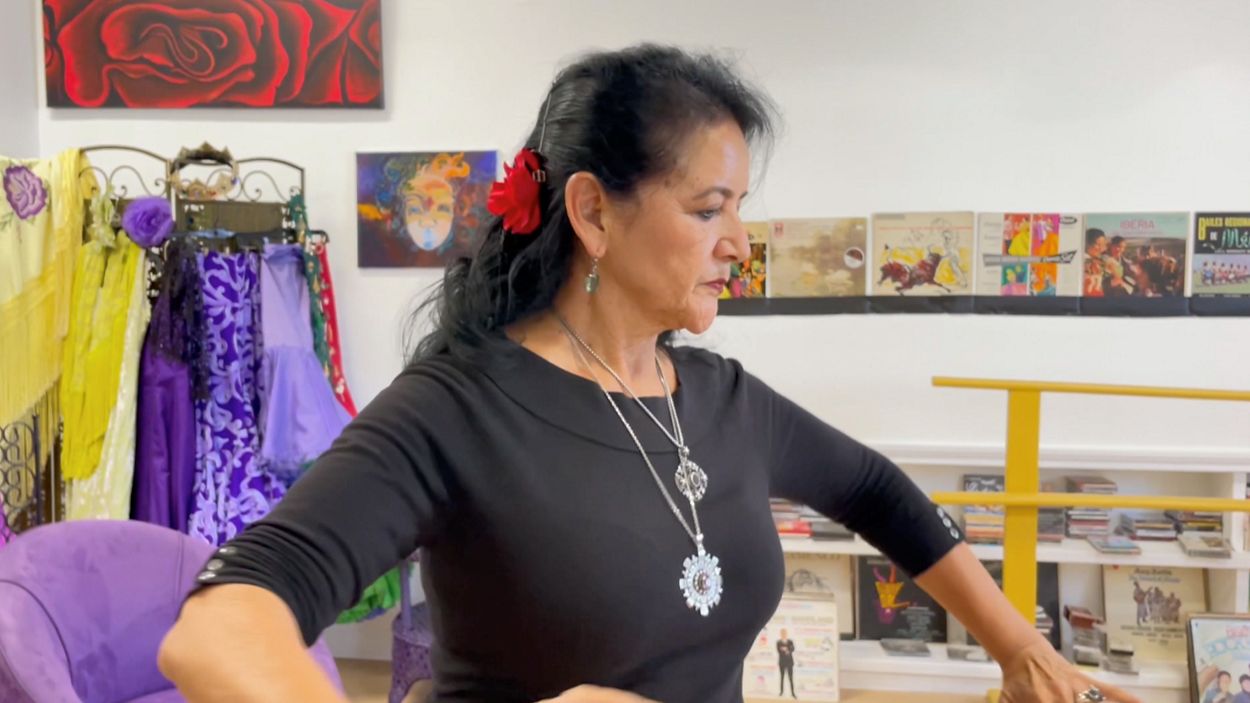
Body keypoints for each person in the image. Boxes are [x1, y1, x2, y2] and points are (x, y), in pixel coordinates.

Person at [157, 45, 1139, 703]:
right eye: (709, 208)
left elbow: (877, 490)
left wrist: (1020, 648)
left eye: (738, 208)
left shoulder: (722, 398)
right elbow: (219, 626)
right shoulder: (455, 410)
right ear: (593, 212)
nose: (738, 241)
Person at [777, 628, 796, 698]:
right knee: (782, 677)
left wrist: (786, 649)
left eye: (784, 633)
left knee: (790, 678)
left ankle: (793, 693)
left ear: (786, 634)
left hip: (789, 662)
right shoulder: (778, 642)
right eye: (782, 633)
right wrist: (787, 649)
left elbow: (792, 649)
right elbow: (779, 651)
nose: (783, 634)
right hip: (782, 662)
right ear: (781, 634)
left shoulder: (790, 641)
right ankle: (781, 692)